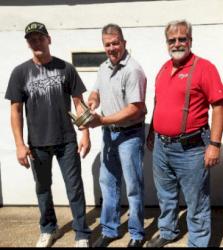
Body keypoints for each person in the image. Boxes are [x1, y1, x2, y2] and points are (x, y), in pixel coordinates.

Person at [5, 22, 91, 247]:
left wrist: (86, 134)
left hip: (67, 141)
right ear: (28, 43)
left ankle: (82, 233)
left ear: (48, 39)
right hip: (37, 144)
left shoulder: (66, 68)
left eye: (40, 37)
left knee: (75, 188)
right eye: (32, 39)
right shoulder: (20, 72)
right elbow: (15, 111)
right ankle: (48, 229)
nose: (36, 42)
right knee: (42, 189)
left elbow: (78, 103)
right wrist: (19, 144)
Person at [146, 20, 223, 247]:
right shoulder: (163, 69)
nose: (177, 43)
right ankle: (168, 231)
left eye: (182, 38)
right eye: (172, 40)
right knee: (166, 195)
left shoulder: (204, 67)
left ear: (190, 40)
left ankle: (198, 243)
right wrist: (152, 131)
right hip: (162, 146)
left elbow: (219, 107)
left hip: (191, 148)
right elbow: (158, 103)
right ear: (167, 43)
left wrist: (214, 144)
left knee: (196, 201)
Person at [85, 24, 147, 248]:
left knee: (133, 186)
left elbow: (135, 109)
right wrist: (93, 101)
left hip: (129, 135)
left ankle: (137, 233)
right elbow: (97, 91)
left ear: (124, 43)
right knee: (108, 184)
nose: (112, 48)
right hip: (109, 135)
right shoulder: (103, 67)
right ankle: (110, 230)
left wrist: (101, 120)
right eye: (107, 44)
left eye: (115, 43)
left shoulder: (133, 70)